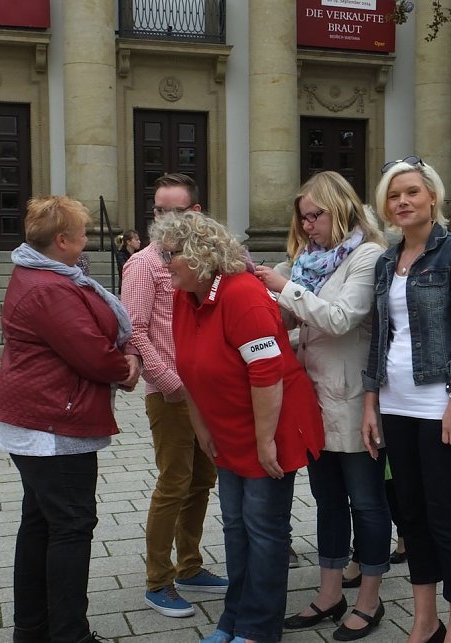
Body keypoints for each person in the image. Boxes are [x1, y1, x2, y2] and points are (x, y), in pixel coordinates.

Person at [153, 210, 325, 643]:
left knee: (264, 530)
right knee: (235, 525)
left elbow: (267, 375)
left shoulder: (242, 295)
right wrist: (201, 427)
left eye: (171, 254)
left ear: (199, 255)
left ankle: (258, 628)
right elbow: (188, 368)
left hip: (271, 427)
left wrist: (265, 441)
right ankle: (234, 617)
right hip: (227, 429)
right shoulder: (184, 296)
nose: (163, 262)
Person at [0, 196, 140, 643]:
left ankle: (33, 630)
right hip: (53, 423)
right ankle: (69, 635)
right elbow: (91, 353)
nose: (87, 239)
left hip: (39, 418)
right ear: (61, 240)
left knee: (41, 523)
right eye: (82, 233)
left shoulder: (43, 274)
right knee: (71, 526)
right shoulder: (50, 287)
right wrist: (125, 368)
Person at [255, 171, 391, 641]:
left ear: (342, 208)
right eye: (303, 217)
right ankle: (330, 593)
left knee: (368, 504)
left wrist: (283, 287)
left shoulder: (367, 256)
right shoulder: (308, 260)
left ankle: (369, 600)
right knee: (328, 502)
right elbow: (298, 322)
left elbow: (339, 319)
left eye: (316, 215)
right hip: (311, 402)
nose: (308, 225)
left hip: (354, 401)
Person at [361, 156, 451, 643]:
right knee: (409, 515)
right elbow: (380, 338)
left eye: (412, 192)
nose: (403, 202)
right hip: (395, 404)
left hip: (442, 406)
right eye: (394, 196)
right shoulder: (386, 261)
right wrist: (370, 404)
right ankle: (424, 619)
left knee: (446, 516)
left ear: (432, 196)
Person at [121, 172, 228, 618]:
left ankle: (190, 566)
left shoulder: (200, 261)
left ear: (195, 213)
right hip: (170, 394)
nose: (164, 218)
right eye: (159, 210)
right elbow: (134, 331)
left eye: (175, 210)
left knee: (203, 480)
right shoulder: (144, 264)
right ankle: (158, 580)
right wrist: (170, 383)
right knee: (173, 482)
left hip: (206, 391)